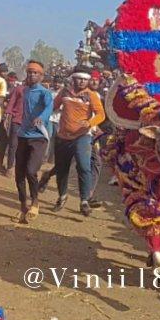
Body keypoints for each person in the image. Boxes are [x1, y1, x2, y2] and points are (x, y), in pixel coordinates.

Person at [52, 68, 106, 216]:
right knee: (61, 169)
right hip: (63, 136)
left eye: (84, 79)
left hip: (82, 136)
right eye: (79, 78)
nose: (82, 81)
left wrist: (90, 123)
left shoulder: (92, 95)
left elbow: (101, 114)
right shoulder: (64, 92)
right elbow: (53, 106)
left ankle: (84, 201)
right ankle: (62, 196)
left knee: (83, 166)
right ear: (73, 79)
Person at [14, 61, 53, 222]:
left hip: (38, 136)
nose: (32, 75)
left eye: (36, 73)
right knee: (18, 174)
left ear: (41, 76)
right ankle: (23, 206)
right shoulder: (25, 90)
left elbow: (49, 107)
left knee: (31, 171)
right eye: (30, 72)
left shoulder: (45, 93)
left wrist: (41, 118)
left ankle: (35, 202)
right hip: (23, 134)